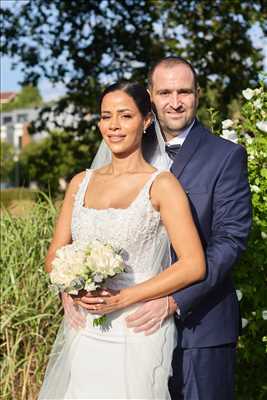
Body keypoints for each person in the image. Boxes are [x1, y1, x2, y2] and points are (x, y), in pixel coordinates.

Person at [82, 57, 252, 400]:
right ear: (150, 96)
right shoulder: (126, 149)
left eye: (184, 92)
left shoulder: (226, 156)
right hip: (128, 328)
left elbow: (230, 239)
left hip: (200, 326)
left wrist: (175, 299)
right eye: (165, 92)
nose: (175, 101)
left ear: (198, 95)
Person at [38, 81, 205, 399]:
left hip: (138, 324)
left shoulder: (163, 185)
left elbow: (194, 264)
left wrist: (127, 297)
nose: (113, 126)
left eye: (125, 115)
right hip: (86, 325)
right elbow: (54, 257)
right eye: (105, 116)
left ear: (146, 121)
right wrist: (70, 288)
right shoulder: (80, 183)